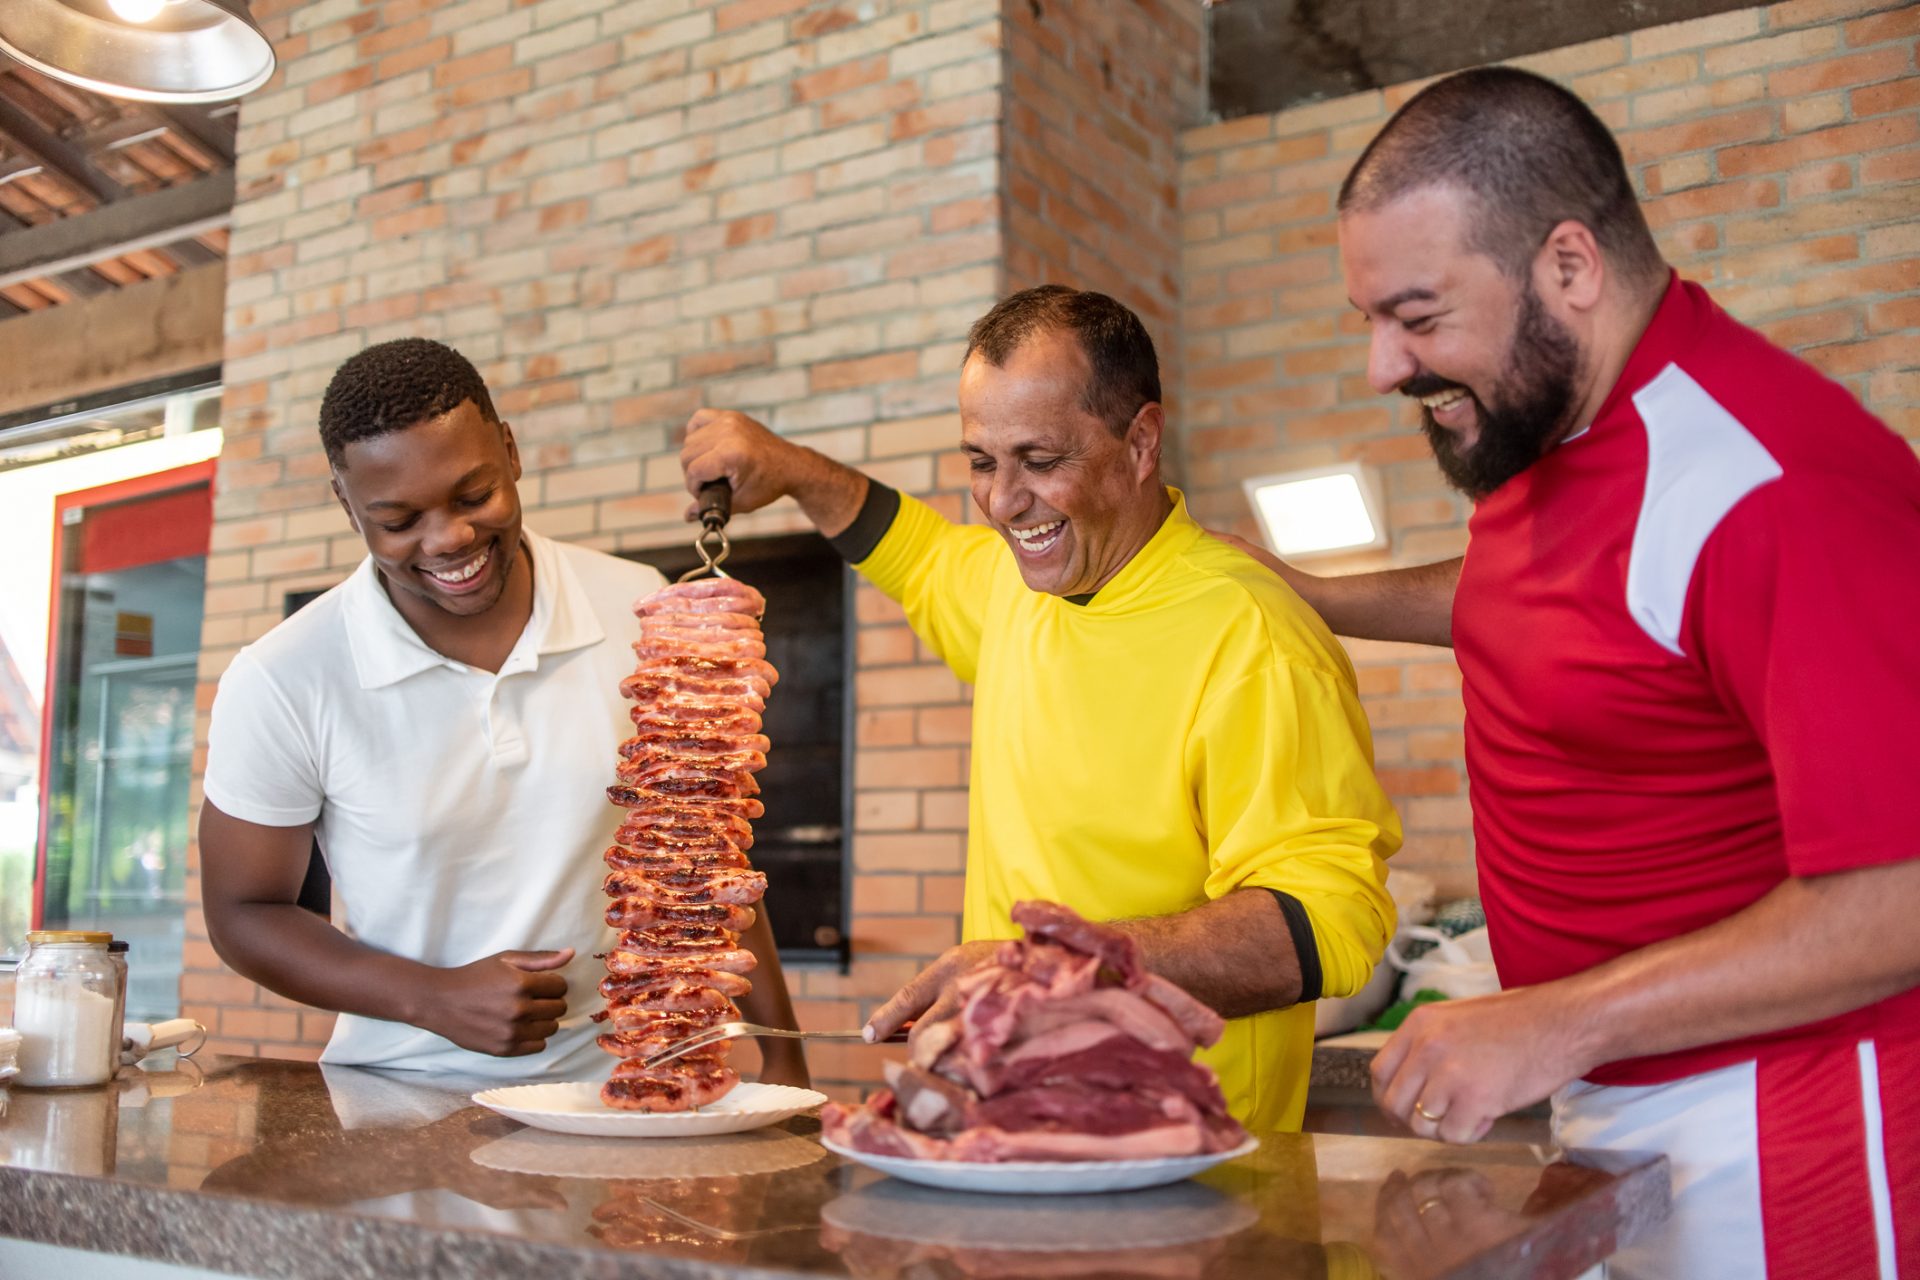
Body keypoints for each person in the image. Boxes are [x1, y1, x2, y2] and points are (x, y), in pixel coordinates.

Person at [1232, 67, 1920, 1277]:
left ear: (1568, 266)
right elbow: (1568, 601)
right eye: (1371, 320)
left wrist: (1557, 1014)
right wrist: (1321, 597)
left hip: (1784, 1124)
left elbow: (1899, 899)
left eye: (1419, 316)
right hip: (1611, 1098)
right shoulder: (1559, 432)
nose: (1385, 367)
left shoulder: (1779, 493)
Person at [679, 286, 1401, 1131]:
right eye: (982, 462)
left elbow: (1330, 918)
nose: (1003, 501)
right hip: (1004, 1141)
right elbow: (913, 552)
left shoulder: (1254, 637)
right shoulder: (1015, 585)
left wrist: (1052, 969)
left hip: (1187, 1173)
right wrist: (793, 466)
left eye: (1041, 459)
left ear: (1140, 443)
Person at [199, 338, 804, 1083]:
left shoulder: (635, 603)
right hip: (399, 1097)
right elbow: (243, 914)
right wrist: (432, 998)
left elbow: (708, 845)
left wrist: (783, 1055)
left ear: (510, 453)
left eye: (473, 495)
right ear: (345, 504)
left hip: (629, 1085)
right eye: (398, 520)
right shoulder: (284, 677)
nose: (449, 538)